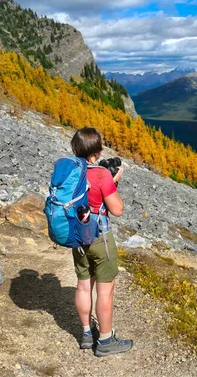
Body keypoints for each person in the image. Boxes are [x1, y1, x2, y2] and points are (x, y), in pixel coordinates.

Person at [70, 127, 133, 357]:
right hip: (99, 237)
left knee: (84, 284)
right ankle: (105, 341)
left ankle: (87, 334)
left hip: (77, 238)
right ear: (98, 150)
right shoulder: (101, 174)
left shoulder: (72, 170)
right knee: (106, 290)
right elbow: (117, 209)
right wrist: (113, 181)